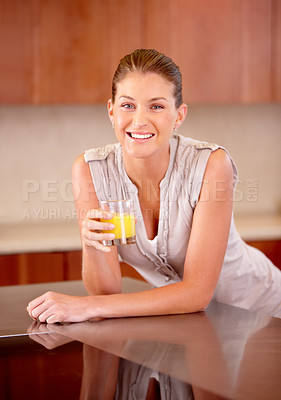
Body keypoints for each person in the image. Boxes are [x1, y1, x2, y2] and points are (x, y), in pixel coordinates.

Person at [27, 49, 281, 323]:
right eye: (127, 105)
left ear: (179, 116)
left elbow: (196, 293)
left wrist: (86, 307)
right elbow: (106, 293)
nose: (139, 120)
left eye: (156, 106)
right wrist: (91, 245)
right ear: (111, 110)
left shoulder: (211, 164)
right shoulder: (90, 170)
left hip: (261, 312)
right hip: (189, 321)